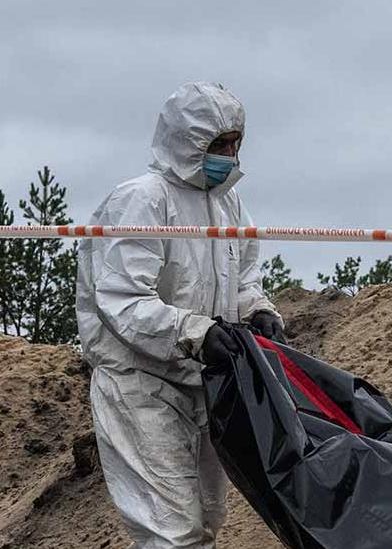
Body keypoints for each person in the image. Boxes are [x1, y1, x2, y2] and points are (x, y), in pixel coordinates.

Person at [76, 81, 284, 548]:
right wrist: (194, 332)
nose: (229, 155)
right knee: (171, 531)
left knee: (208, 519)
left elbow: (244, 277)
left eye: (235, 144)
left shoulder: (229, 204)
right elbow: (122, 300)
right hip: (141, 383)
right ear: (187, 141)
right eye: (218, 145)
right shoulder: (142, 200)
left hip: (204, 382)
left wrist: (258, 310)